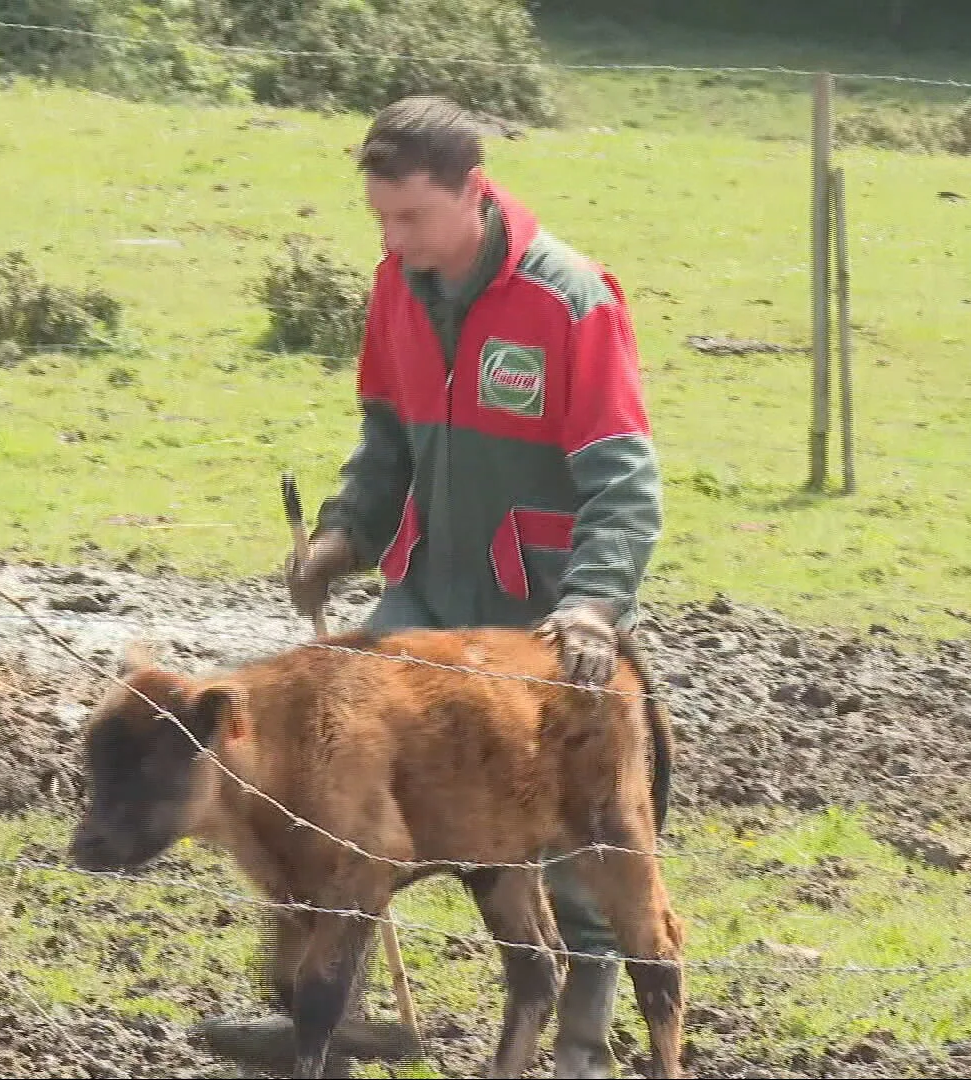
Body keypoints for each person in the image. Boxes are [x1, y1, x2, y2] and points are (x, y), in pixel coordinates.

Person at [200, 95, 665, 1078]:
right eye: (379, 218)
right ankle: (324, 1019)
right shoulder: (396, 287)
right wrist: (343, 535)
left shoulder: (571, 301)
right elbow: (385, 444)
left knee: (570, 828)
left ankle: (581, 1035)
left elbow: (626, 484)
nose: (392, 239)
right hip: (424, 592)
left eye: (409, 217)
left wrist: (591, 603)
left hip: (535, 617)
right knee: (336, 791)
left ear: (473, 192)